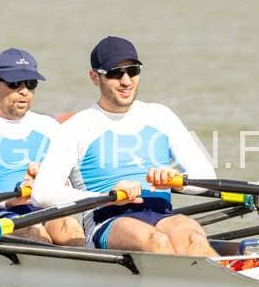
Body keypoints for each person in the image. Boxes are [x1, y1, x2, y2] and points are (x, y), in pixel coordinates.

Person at [31, 36, 219, 256]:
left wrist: (177, 180)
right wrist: (107, 194)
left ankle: (226, 277)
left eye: (133, 71)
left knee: (194, 239)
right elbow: (42, 193)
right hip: (108, 220)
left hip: (162, 215)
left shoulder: (162, 116)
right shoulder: (78, 126)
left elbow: (208, 178)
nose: (126, 81)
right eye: (115, 73)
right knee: (156, 241)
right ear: (95, 77)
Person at [0, 47, 84, 245]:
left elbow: (76, 186)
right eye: (14, 83)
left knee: (70, 229)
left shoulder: (50, 127)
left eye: (31, 84)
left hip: (44, 211)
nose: (24, 91)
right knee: (36, 234)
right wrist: (9, 199)